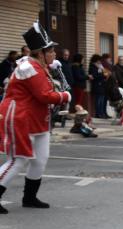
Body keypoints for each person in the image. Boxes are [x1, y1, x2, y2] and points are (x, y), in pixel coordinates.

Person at [0, 21, 71, 214]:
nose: (54, 54)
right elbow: (44, 95)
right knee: (18, 159)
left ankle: (29, 197)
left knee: (40, 159)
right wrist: (65, 96)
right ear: (41, 53)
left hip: (36, 119)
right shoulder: (29, 67)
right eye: (51, 51)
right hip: (20, 118)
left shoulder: (40, 66)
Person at [88, 54, 107, 118]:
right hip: (97, 85)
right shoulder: (92, 67)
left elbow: (104, 73)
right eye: (99, 60)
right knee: (98, 100)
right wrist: (102, 75)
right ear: (96, 60)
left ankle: (101, 113)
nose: (100, 62)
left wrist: (104, 74)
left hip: (102, 85)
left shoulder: (100, 66)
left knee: (102, 100)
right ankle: (98, 113)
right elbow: (94, 76)